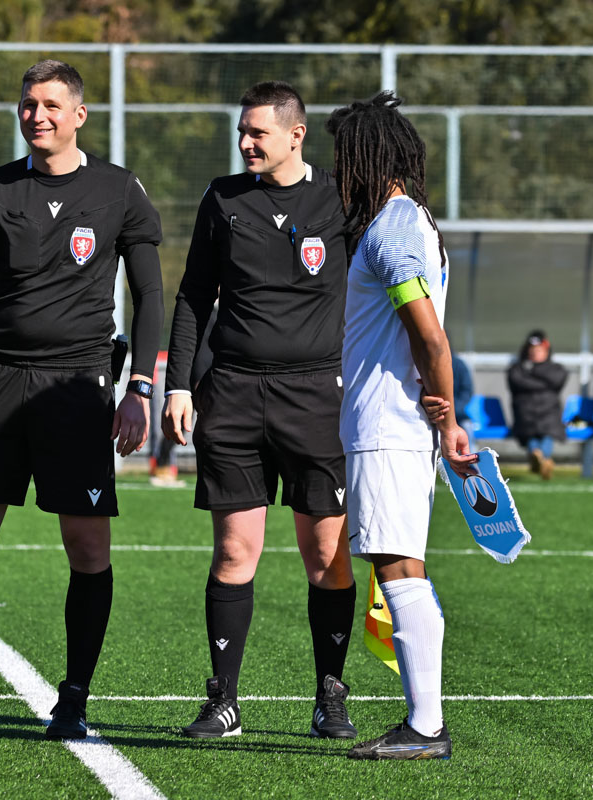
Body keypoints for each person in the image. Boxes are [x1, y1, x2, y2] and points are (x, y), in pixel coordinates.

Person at [0, 59, 164, 740]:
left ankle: (75, 698)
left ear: (78, 114)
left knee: (86, 546)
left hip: (77, 386)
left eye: (52, 105)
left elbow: (150, 296)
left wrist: (140, 387)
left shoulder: (119, 190)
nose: (38, 115)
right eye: (29, 104)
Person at [162, 81, 358, 740]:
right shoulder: (222, 198)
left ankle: (330, 694)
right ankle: (224, 700)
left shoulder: (340, 198)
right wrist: (179, 385)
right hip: (235, 395)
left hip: (317, 397)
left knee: (326, 555)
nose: (246, 143)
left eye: (258, 133)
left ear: (295, 135)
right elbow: (193, 295)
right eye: (241, 132)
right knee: (233, 552)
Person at [325, 91, 477, 760]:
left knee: (399, 570)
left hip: (387, 426)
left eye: (344, 156)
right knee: (402, 566)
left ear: (370, 157)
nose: (338, 169)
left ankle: (425, 726)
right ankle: (424, 722)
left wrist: (448, 415)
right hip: (393, 424)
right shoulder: (411, 221)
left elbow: (430, 335)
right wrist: (443, 411)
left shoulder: (390, 229)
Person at [507, 330, 566, 480]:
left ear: (547, 351)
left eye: (539, 350)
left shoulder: (555, 368)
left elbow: (558, 380)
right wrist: (544, 384)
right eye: (533, 350)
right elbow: (517, 382)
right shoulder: (517, 368)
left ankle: (537, 457)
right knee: (530, 432)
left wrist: (533, 370)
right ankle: (543, 459)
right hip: (525, 412)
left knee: (548, 432)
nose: (535, 353)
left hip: (549, 411)